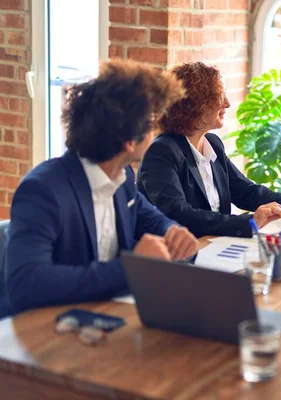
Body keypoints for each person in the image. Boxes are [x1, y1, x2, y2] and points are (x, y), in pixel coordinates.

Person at [0, 60, 198, 318]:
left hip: (104, 317)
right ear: (129, 141)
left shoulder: (122, 176)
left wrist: (172, 232)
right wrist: (132, 269)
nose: (156, 129)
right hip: (45, 332)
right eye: (151, 123)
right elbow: (26, 284)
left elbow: (148, 215)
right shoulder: (43, 190)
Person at [137, 62, 281, 238]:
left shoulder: (212, 144)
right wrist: (249, 222)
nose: (227, 104)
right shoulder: (161, 152)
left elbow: (244, 191)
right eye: (219, 97)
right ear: (193, 105)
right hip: (180, 252)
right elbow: (179, 214)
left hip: (213, 244)